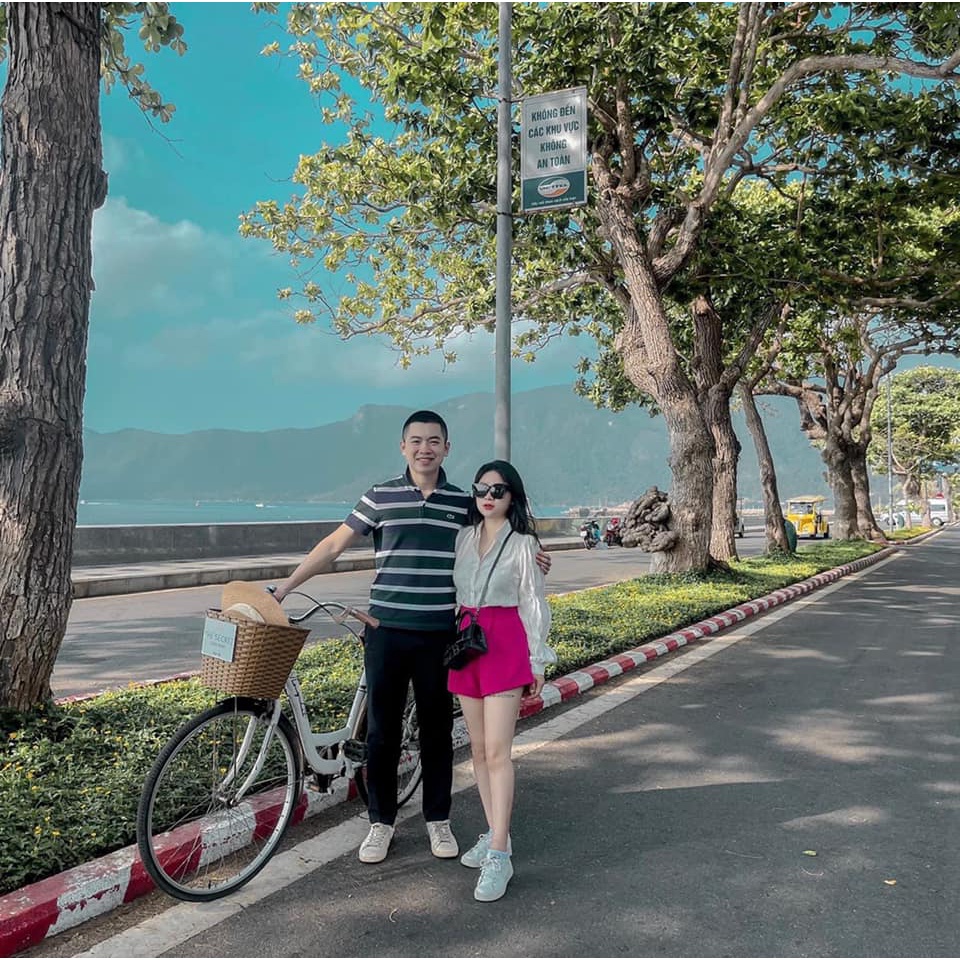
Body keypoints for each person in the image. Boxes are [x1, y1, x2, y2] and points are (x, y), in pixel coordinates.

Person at [272, 411, 551, 866]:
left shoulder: (462, 502)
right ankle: (380, 822)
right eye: (416, 441)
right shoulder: (380, 496)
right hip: (385, 632)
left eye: (434, 441)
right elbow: (334, 545)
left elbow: (499, 537)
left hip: (441, 635)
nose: (425, 448)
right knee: (382, 732)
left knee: (437, 733)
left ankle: (438, 819)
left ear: (447, 448)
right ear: (403, 447)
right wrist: (285, 587)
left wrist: (536, 558)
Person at [449, 460, 556, 902]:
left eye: (498, 490)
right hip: (466, 642)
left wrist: (537, 660)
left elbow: (533, 602)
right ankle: (497, 834)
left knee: (497, 752)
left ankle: (498, 855)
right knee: (477, 750)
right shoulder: (463, 538)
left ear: (513, 496)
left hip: (505, 641)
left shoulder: (524, 544)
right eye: (481, 489)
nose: (488, 497)